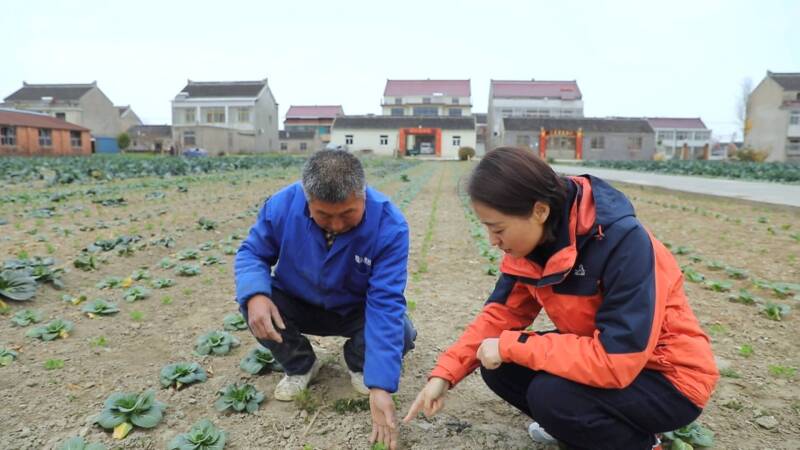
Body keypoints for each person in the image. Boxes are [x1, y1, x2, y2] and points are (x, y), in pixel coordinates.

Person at [404, 147, 718, 450]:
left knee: (552, 396)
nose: (493, 241)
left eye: (498, 228)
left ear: (540, 210)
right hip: (605, 357)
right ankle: (583, 428)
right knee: (498, 365)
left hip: (667, 378)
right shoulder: (529, 249)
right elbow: (499, 317)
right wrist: (444, 375)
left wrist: (512, 345)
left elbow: (617, 359)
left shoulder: (624, 243)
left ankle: (640, 443)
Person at [235, 149, 416, 450]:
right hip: (297, 302)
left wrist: (381, 384)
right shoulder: (282, 205)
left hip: (355, 309)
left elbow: (385, 302)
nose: (336, 225)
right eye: (323, 215)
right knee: (254, 303)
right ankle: (302, 364)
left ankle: (359, 364)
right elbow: (252, 252)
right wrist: (255, 293)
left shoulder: (390, 225)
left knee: (402, 332)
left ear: (363, 195)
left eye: (347, 214)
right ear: (307, 200)